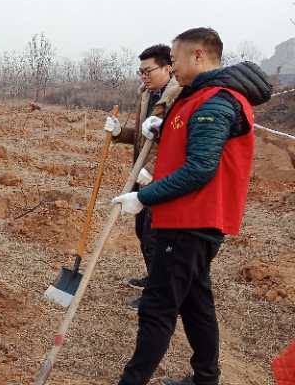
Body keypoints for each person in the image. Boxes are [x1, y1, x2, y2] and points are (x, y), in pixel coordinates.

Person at [112, 27, 271, 385]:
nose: (173, 66)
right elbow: (191, 145)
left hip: (190, 222)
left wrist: (144, 197)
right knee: (196, 303)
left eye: (175, 59)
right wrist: (163, 128)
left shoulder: (217, 101)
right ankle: (205, 378)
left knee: (157, 308)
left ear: (198, 55)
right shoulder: (196, 96)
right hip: (186, 219)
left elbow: (200, 167)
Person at [103, 44, 181, 310]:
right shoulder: (148, 95)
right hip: (142, 173)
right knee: (142, 230)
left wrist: (155, 169)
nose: (143, 76)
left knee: (154, 235)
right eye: (141, 72)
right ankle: (153, 277)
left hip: (163, 177)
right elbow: (143, 136)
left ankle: (161, 292)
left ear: (167, 68)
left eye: (148, 71)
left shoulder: (178, 97)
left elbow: (178, 143)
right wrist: (119, 133)